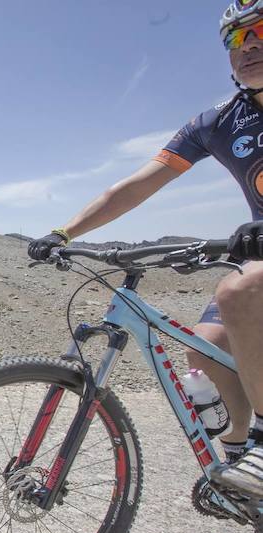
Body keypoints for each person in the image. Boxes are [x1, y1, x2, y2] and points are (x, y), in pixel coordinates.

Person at [28, 1, 263, 498]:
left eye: (260, 31)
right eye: (235, 40)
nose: (249, 47)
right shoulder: (219, 121)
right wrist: (64, 232)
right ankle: (241, 461)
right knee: (208, 348)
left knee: (238, 291)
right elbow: (136, 186)